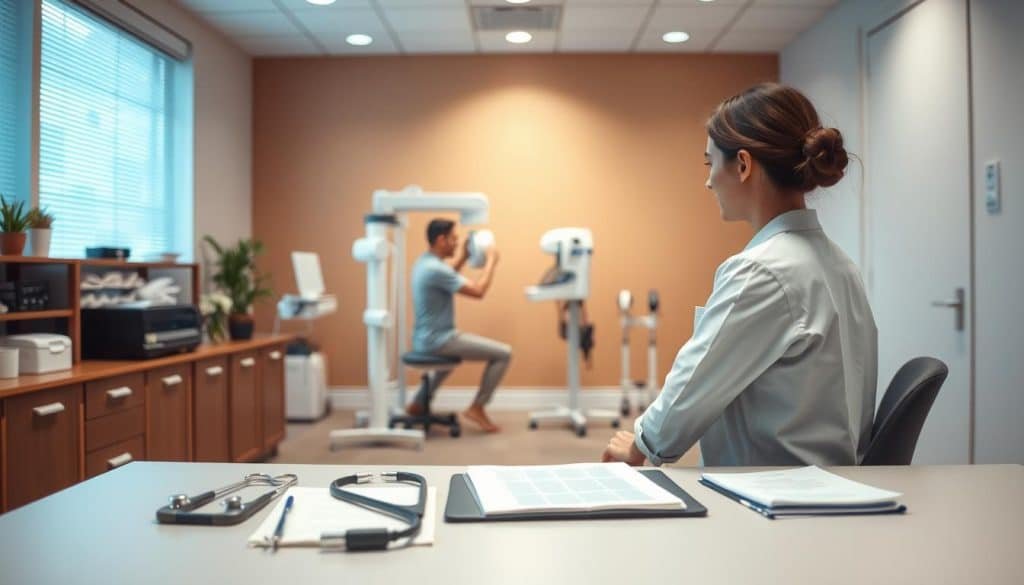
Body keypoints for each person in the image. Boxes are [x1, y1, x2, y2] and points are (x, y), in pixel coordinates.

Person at [603, 83, 878, 467]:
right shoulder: (840, 264)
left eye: (709, 163)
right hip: (830, 486)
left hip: (775, 501)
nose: (708, 181)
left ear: (744, 165)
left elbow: (693, 386)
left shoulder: (761, 271)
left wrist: (639, 443)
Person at [409, 219, 511, 432]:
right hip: (439, 339)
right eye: (453, 239)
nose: (457, 243)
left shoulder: (425, 262)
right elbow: (479, 291)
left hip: (424, 338)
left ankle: (418, 403)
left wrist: (464, 256)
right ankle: (477, 408)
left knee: (448, 363)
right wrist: (492, 260)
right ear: (441, 239)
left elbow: (448, 275)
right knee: (503, 353)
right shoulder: (436, 270)